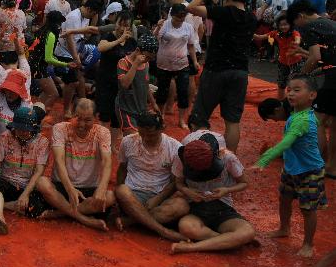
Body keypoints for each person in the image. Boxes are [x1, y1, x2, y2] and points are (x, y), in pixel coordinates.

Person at [253, 76, 327, 257]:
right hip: (292, 168)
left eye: (297, 90)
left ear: (312, 95)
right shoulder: (296, 114)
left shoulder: (302, 120)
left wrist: (264, 160)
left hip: (309, 170)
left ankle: (308, 244)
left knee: (308, 209)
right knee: (284, 198)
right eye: (289, 90)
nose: (291, 93)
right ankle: (284, 228)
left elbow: (285, 143)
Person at [186, 0, 257, 152]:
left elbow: (190, 8)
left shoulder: (224, 12)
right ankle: (230, 159)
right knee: (232, 121)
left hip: (216, 70)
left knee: (199, 117)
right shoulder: (252, 18)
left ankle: (202, 155)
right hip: (240, 72)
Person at [170, 133, 255, 254]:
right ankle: (230, 241)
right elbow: (178, 183)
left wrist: (226, 190)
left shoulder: (228, 157)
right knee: (186, 227)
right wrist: (187, 191)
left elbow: (244, 183)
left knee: (248, 232)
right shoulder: (183, 157)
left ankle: (191, 247)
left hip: (222, 207)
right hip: (195, 207)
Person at [40, 98, 114, 231]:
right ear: (72, 114)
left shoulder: (103, 132)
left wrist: (102, 188)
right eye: (78, 118)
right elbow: (59, 160)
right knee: (42, 183)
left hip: (89, 188)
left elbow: (107, 161)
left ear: (96, 118)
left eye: (87, 120)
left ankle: (61, 212)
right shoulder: (60, 128)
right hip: (63, 185)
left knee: (110, 196)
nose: (81, 124)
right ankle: (83, 218)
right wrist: (69, 188)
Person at [114, 113, 189, 242]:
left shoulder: (175, 148)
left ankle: (132, 221)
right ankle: (164, 231)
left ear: (162, 129)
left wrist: (157, 199)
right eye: (142, 134)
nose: (146, 138)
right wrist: (118, 197)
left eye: (152, 135)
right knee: (121, 191)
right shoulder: (128, 141)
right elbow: (122, 169)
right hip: (132, 194)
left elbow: (175, 182)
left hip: (159, 196)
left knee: (182, 206)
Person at [0, 107, 51, 234]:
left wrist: (25, 194)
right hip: (7, 183)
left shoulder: (42, 142)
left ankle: (1, 205)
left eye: (25, 129)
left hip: (28, 187)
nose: (21, 132)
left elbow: (39, 172)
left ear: (33, 129)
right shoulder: (6, 137)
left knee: (38, 206)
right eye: (19, 128)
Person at [287, 0, 336, 178]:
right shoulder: (330, 23)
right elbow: (326, 57)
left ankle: (315, 164)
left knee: (317, 122)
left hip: (331, 81)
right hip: (332, 75)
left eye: (295, 23)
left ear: (301, 16)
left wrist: (301, 77)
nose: (297, 28)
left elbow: (315, 56)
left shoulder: (311, 27)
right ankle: (332, 166)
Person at [55, 0, 103, 117]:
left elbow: (85, 35)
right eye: (93, 13)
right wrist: (76, 58)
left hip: (76, 50)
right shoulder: (73, 17)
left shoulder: (85, 16)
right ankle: (67, 109)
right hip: (65, 52)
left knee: (80, 77)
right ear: (88, 8)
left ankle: (84, 103)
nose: (93, 16)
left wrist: (80, 54)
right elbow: (70, 39)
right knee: (71, 82)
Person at [154, 4, 197, 128]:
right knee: (162, 91)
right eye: (177, 19)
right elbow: (154, 39)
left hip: (182, 64)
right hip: (163, 64)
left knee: (183, 91)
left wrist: (194, 61)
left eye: (182, 19)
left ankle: (182, 119)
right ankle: (161, 115)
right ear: (172, 16)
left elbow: (190, 46)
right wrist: (157, 27)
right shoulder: (164, 24)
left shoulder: (188, 27)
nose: (179, 21)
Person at [96, 10, 136, 143]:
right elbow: (101, 48)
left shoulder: (131, 42)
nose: (122, 28)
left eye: (126, 25)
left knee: (116, 116)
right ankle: (102, 144)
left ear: (130, 27)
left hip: (121, 85)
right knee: (104, 115)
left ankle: (112, 144)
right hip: (106, 82)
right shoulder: (108, 36)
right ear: (115, 23)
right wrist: (119, 40)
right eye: (120, 24)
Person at [252, 13, 303, 101]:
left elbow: (297, 39)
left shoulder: (294, 33)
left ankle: (297, 103)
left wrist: (296, 43)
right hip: (282, 62)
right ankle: (281, 102)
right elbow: (260, 37)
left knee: (296, 83)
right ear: (278, 26)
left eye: (286, 24)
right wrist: (247, 32)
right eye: (281, 25)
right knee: (281, 83)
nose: (283, 27)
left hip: (296, 62)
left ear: (290, 25)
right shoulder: (275, 33)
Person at [115, 34, 159, 133]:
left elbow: (146, 85)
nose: (148, 60)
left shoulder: (146, 64)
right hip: (126, 109)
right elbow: (125, 84)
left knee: (141, 140)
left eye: (151, 58)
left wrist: (154, 104)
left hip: (141, 110)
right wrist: (135, 64)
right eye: (147, 57)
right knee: (134, 140)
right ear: (138, 50)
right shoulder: (123, 63)